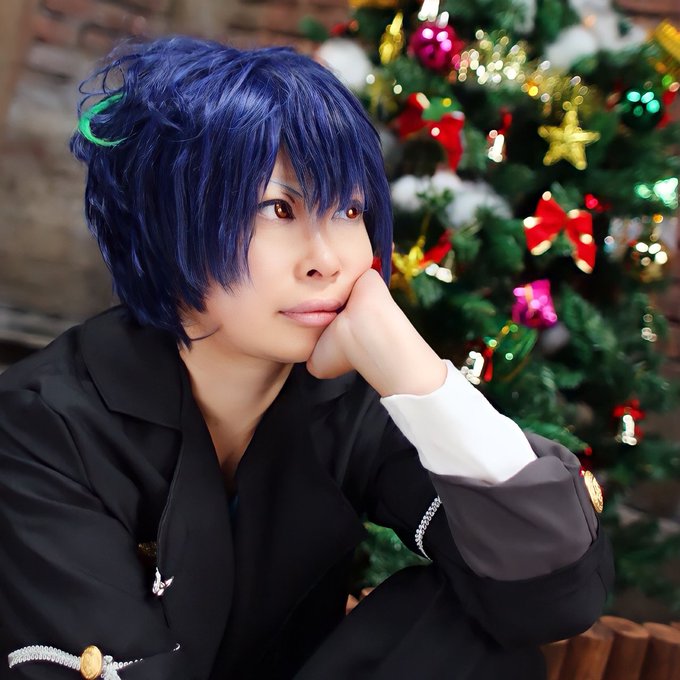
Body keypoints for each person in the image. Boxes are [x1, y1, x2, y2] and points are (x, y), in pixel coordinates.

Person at [0, 37, 613, 680]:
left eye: (349, 209)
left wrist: (419, 376)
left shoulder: (354, 397)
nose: (328, 259)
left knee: (476, 618)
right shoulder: (42, 426)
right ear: (167, 223)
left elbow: (552, 598)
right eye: (278, 208)